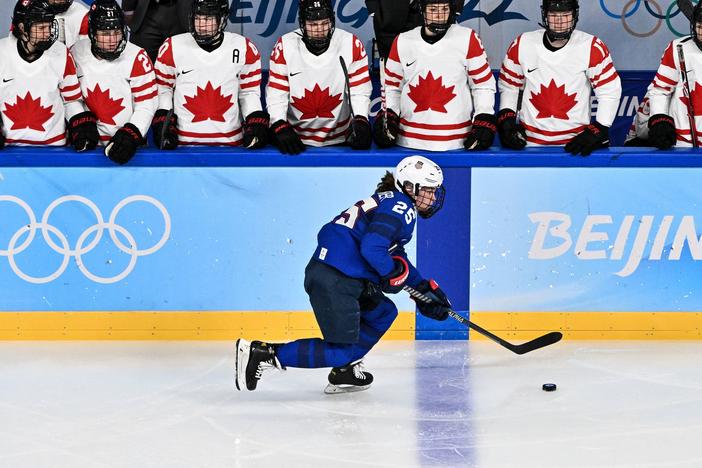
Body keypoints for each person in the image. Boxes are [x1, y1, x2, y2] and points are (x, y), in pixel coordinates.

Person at [235, 155, 453, 393]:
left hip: (339, 275)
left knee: (384, 312)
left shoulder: (388, 201)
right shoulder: (401, 206)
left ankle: (344, 371)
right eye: (428, 191)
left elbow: (391, 252)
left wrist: (421, 287)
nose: (432, 198)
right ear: (409, 187)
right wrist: (392, 275)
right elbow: (372, 248)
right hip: (337, 280)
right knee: (339, 350)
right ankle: (264, 353)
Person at [496, 0, 622, 155]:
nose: (560, 21)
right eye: (554, 14)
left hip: (576, 144)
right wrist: (507, 118)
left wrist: (600, 127)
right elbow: (510, 86)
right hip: (530, 145)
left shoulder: (592, 47)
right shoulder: (522, 44)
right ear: (545, 15)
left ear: (575, 15)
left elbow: (609, 91)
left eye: (566, 14)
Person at [373, 0, 496, 152]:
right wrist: (389, 115)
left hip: (457, 140)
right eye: (433, 9)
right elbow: (391, 87)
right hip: (409, 141)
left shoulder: (468, 38)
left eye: (444, 9)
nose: (439, 16)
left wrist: (483, 115)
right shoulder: (403, 41)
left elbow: (482, 85)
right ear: (422, 11)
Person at [152, 0, 268, 148]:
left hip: (231, 144)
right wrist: (164, 120)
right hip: (183, 145)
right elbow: (163, 89)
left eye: (208, 19)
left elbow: (248, 93)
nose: (201, 25)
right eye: (197, 18)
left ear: (222, 19)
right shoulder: (172, 47)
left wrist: (255, 120)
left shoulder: (244, 48)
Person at [266, 0, 372, 155]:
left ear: (332, 21)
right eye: (313, 25)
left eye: (325, 23)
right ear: (302, 23)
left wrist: (361, 118)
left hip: (340, 138)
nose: (320, 30)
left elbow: (359, 90)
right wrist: (279, 123)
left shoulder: (351, 43)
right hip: (296, 138)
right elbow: (277, 92)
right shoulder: (284, 46)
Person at [0, 0, 98, 150]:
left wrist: (80, 123)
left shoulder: (61, 53)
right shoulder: (2, 53)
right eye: (41, 27)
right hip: (9, 152)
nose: (47, 33)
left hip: (53, 149)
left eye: (49, 25)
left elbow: (70, 100)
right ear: (22, 28)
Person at [71, 0, 157, 164]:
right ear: (92, 33)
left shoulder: (137, 56)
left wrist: (131, 134)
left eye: (116, 32)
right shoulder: (75, 53)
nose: (112, 40)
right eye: (105, 33)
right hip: (88, 149)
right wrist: (80, 122)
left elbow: (147, 104)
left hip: (130, 150)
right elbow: (70, 97)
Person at [628, 1, 701, 148]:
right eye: (700, 27)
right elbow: (660, 90)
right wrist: (660, 119)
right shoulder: (678, 48)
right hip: (682, 145)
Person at [122, 0, 194, 63]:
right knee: (141, 66)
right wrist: (128, 7)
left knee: (183, 65)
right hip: (146, 14)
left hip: (182, 13)